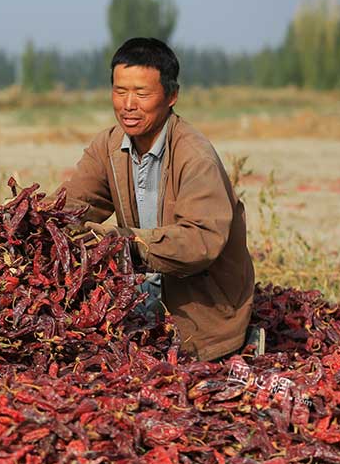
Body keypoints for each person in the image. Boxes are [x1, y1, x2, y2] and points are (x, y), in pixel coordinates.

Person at [58, 38, 258, 361]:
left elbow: (199, 241)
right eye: (120, 91)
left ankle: (242, 342)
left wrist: (125, 243)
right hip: (140, 296)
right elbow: (70, 206)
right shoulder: (108, 148)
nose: (128, 105)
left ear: (172, 96)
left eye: (142, 93)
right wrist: (30, 221)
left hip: (200, 313)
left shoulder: (194, 157)